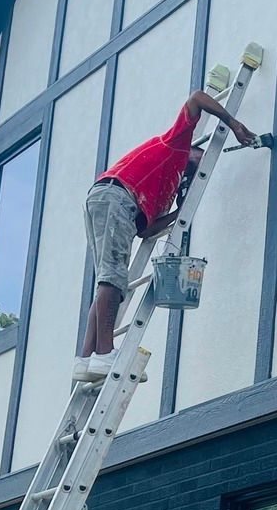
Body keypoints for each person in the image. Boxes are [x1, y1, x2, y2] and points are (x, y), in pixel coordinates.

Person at [75, 89, 255, 380]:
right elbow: (197, 98)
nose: (199, 166)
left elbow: (145, 230)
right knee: (112, 279)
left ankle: (86, 359)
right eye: (199, 160)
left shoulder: (165, 191)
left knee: (108, 278)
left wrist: (178, 212)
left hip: (110, 199)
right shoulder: (177, 147)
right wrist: (232, 122)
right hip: (116, 196)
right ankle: (105, 353)